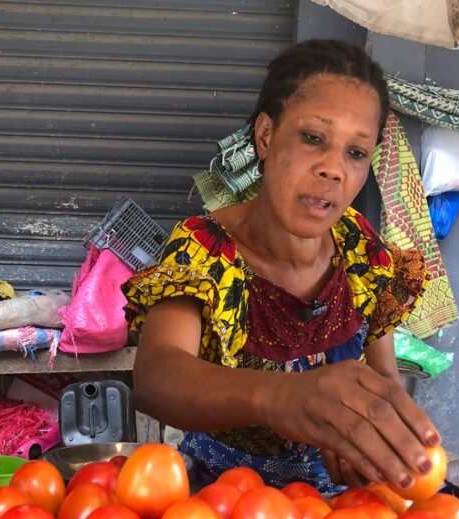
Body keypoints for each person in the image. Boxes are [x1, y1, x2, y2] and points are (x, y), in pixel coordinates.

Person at [124, 39, 439, 493]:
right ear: (267, 136)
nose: (333, 169)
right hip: (225, 504)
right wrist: (282, 397)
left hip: (343, 514)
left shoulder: (361, 249)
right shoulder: (205, 249)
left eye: (356, 152)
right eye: (313, 138)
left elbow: (382, 379)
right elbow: (157, 377)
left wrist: (374, 435)